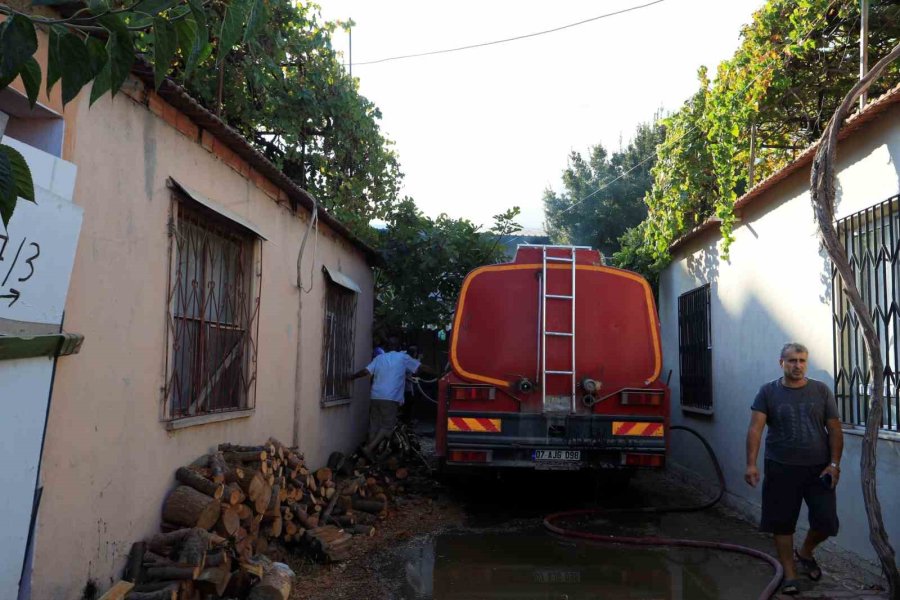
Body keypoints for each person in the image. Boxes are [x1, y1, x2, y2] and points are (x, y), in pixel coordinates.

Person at [745, 342, 843, 596]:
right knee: (782, 523)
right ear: (782, 363)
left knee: (826, 522)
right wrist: (751, 464)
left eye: (801, 361)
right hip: (781, 467)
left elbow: (834, 429)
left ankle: (805, 552)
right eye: (792, 361)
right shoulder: (768, 392)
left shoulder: (821, 391)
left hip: (818, 470)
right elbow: (756, 429)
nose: (797, 365)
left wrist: (834, 464)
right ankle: (790, 574)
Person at [350, 336, 429, 460]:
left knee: (374, 425)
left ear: (386, 347)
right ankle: (369, 448)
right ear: (398, 347)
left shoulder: (379, 358)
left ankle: (371, 454)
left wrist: (352, 377)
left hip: (375, 396)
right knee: (387, 427)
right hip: (390, 398)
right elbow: (420, 367)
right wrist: (438, 373)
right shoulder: (403, 357)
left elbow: (365, 371)